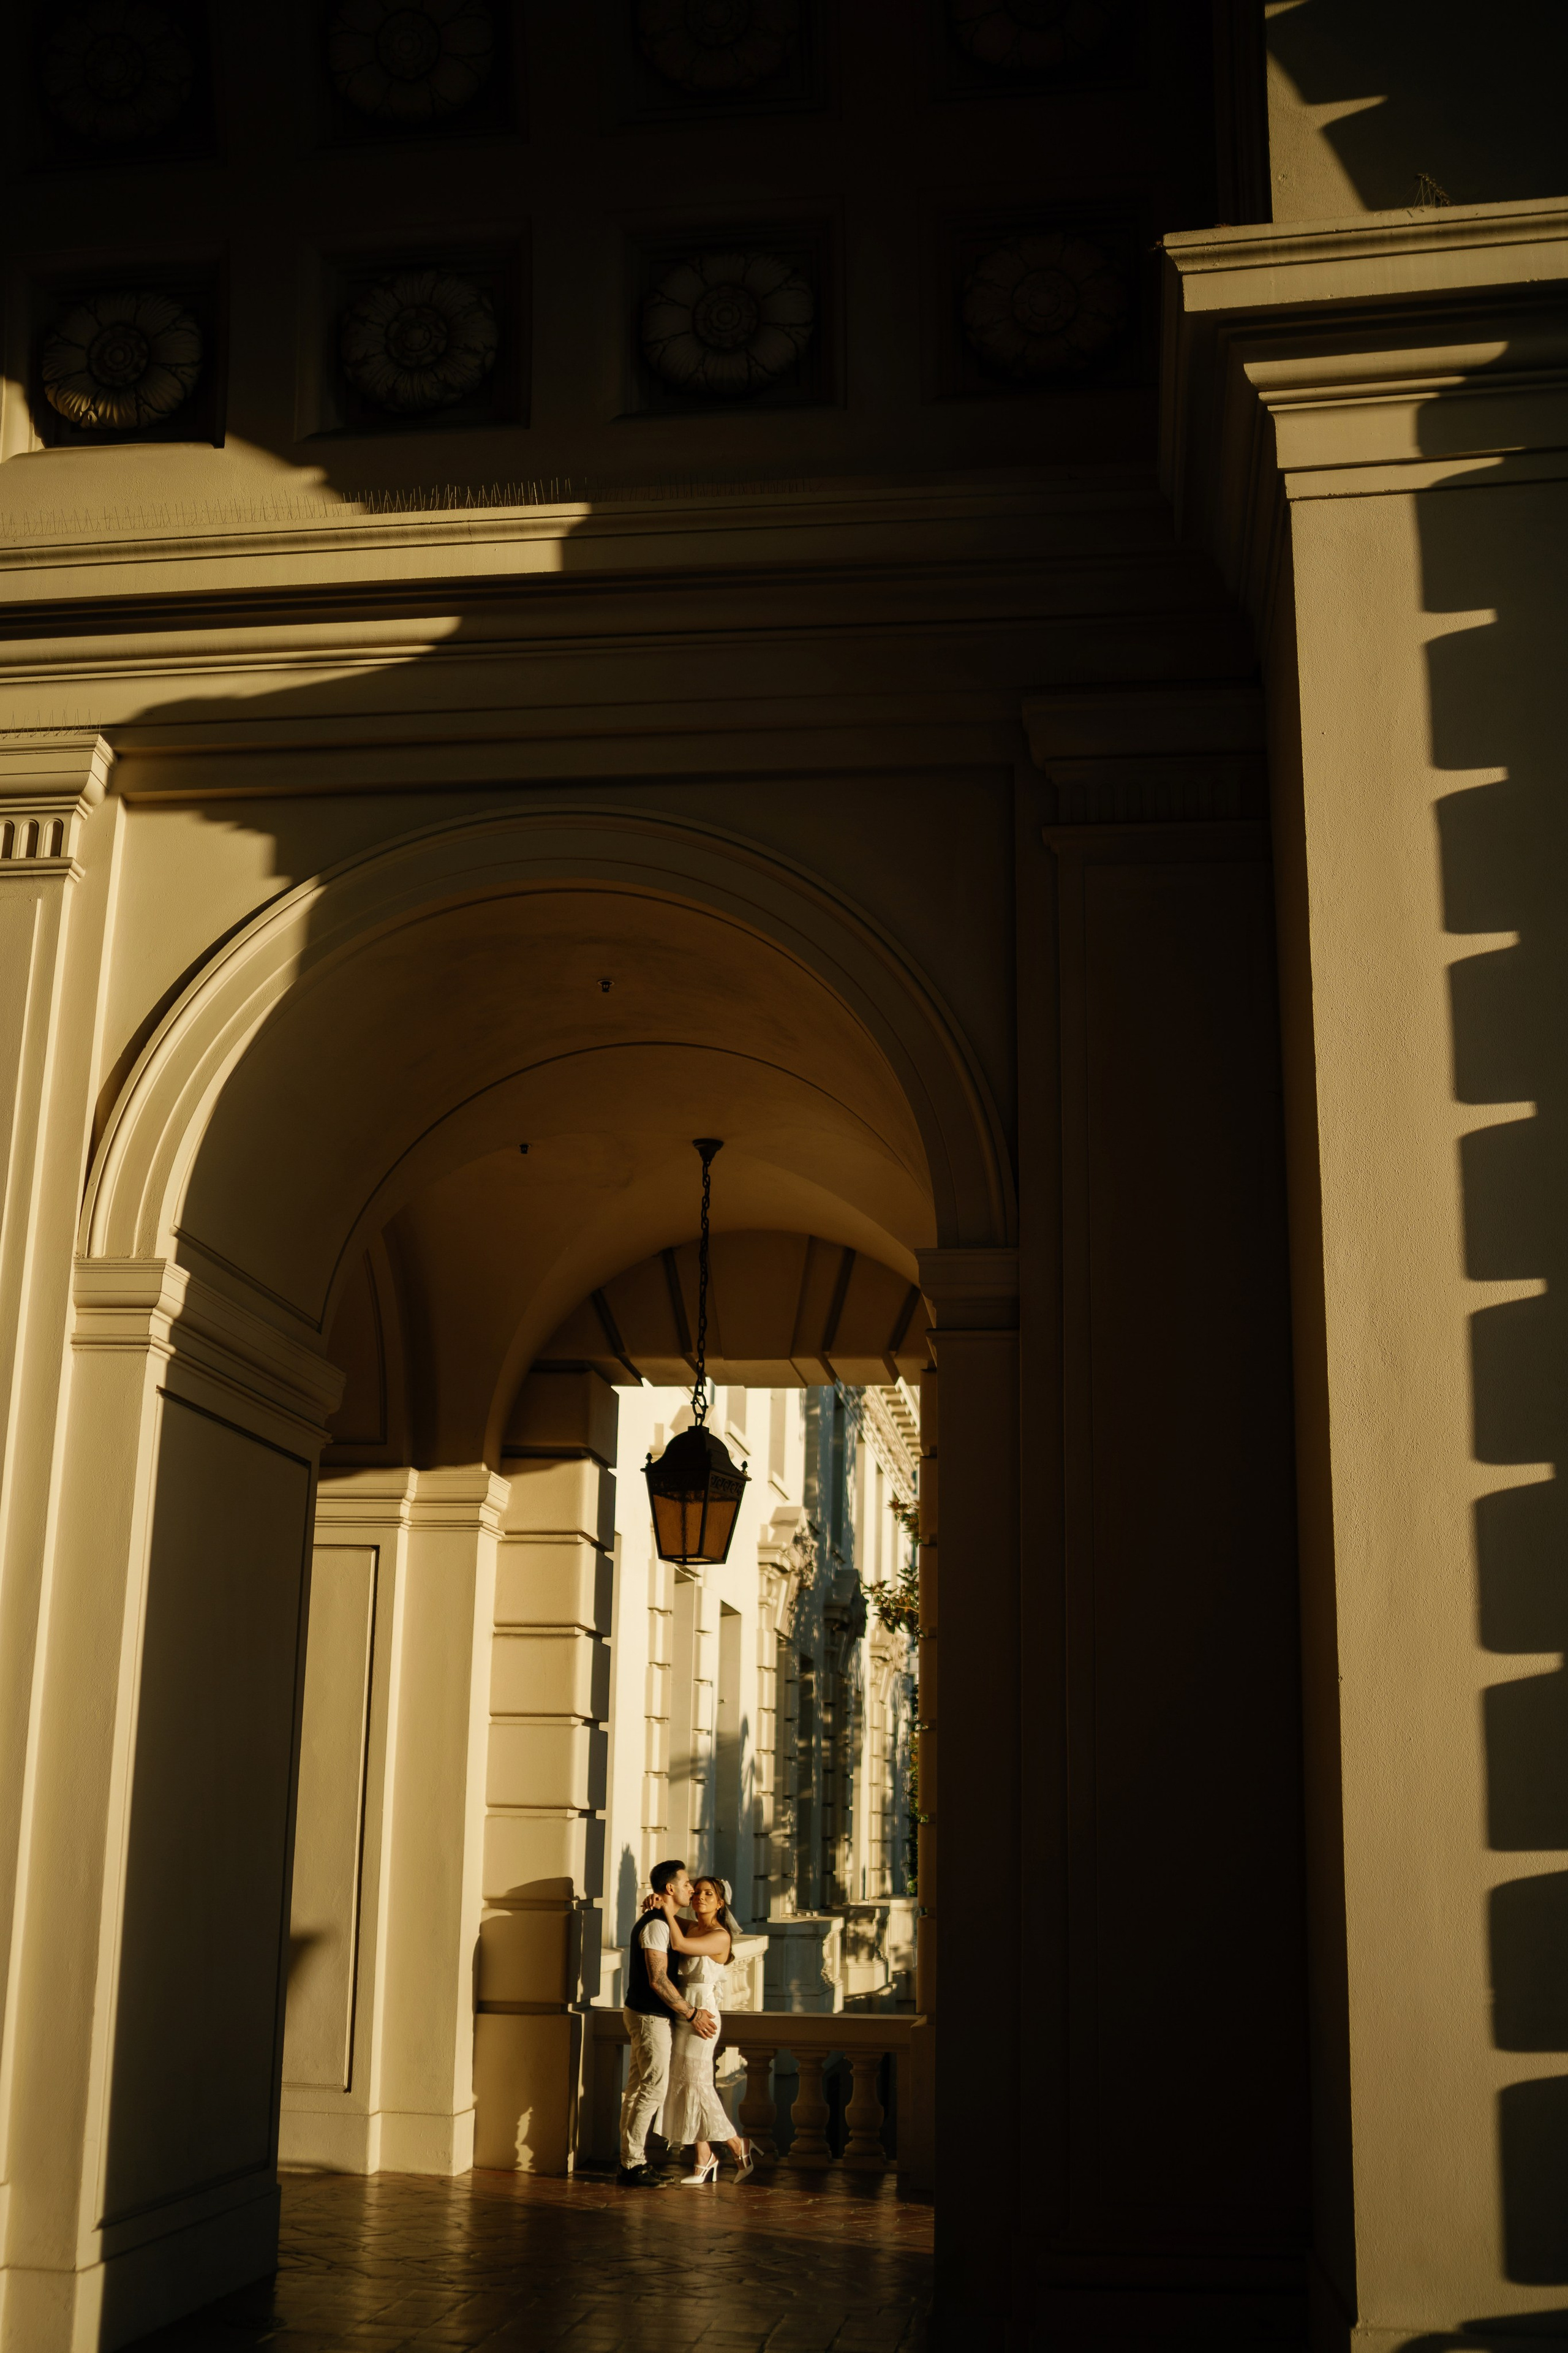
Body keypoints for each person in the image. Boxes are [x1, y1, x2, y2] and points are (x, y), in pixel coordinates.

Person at [617, 1857, 717, 2187]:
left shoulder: (666, 1921)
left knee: (637, 2090)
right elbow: (658, 1980)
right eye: (687, 1884)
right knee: (651, 2088)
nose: (692, 1889)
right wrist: (692, 2013)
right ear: (671, 1888)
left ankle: (630, 2162)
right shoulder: (657, 1925)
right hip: (650, 2017)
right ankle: (634, 2164)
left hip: (650, 2015)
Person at [655, 1873, 754, 2184]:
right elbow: (671, 1923)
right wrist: (660, 1904)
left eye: (708, 1894)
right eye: (696, 1892)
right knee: (684, 2082)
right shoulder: (693, 1924)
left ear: (721, 1902)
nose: (699, 1897)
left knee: (697, 2083)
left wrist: (668, 1912)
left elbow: (677, 1943)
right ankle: (703, 2157)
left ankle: (737, 2145)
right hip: (684, 2011)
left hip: (703, 2015)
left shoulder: (719, 1935)